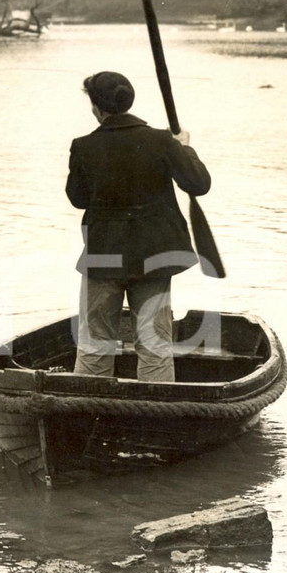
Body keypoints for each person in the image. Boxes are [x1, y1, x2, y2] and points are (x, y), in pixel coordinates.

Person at [66, 71, 211, 382]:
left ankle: (87, 413)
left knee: (94, 344)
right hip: (153, 257)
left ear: (97, 108)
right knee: (155, 342)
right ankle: (156, 418)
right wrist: (184, 147)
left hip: (102, 255)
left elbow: (77, 199)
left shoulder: (83, 146)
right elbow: (198, 184)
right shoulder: (162, 141)